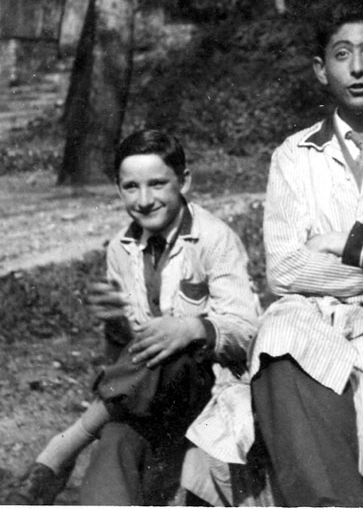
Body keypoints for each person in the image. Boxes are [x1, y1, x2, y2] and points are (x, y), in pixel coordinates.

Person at [183, 0, 363, 507]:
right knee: (280, 345)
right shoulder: (294, 155)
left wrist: (349, 244)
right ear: (321, 69)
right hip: (312, 315)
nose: (357, 68)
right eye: (341, 54)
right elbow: (287, 269)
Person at [12, 129, 260, 505]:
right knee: (113, 440)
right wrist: (115, 326)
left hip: (208, 390)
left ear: (185, 181)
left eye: (158, 184)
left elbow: (246, 330)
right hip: (149, 399)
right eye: (131, 187)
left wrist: (194, 326)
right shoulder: (121, 248)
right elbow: (125, 355)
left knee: (172, 345)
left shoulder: (214, 239)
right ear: (118, 189)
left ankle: (63, 447)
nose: (144, 200)